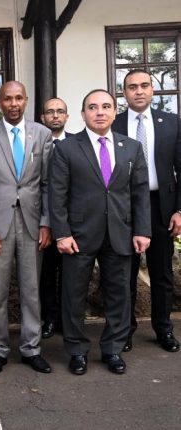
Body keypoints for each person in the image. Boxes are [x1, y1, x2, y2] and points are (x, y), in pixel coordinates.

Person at [49, 89, 151, 375]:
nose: (100, 112)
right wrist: (62, 233)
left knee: (119, 295)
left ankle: (113, 349)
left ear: (115, 112)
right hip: (78, 235)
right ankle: (77, 351)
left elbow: (140, 193)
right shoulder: (67, 148)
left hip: (120, 233)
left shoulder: (131, 148)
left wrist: (142, 230)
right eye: (93, 107)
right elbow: (57, 195)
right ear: (83, 114)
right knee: (73, 296)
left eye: (106, 106)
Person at [0, 81, 54, 375]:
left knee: (32, 290)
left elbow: (48, 183)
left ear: (26, 100)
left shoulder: (42, 134)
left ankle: (31, 348)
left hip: (33, 224)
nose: (14, 104)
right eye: (8, 99)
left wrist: (46, 222)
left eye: (19, 98)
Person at [112, 69, 181, 353]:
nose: (138, 91)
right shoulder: (113, 123)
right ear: (124, 92)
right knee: (124, 273)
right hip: (124, 207)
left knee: (162, 272)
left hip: (161, 207)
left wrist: (179, 210)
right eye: (132, 87)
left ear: (152, 89)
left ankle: (163, 329)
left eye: (144, 85)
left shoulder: (172, 123)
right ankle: (125, 330)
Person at [39, 97, 72, 339]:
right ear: (43, 118)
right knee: (47, 274)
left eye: (60, 111)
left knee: (71, 275)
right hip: (42, 221)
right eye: (50, 112)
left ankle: (68, 320)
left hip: (72, 221)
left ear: (67, 117)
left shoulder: (78, 143)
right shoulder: (35, 144)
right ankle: (50, 319)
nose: (55, 116)